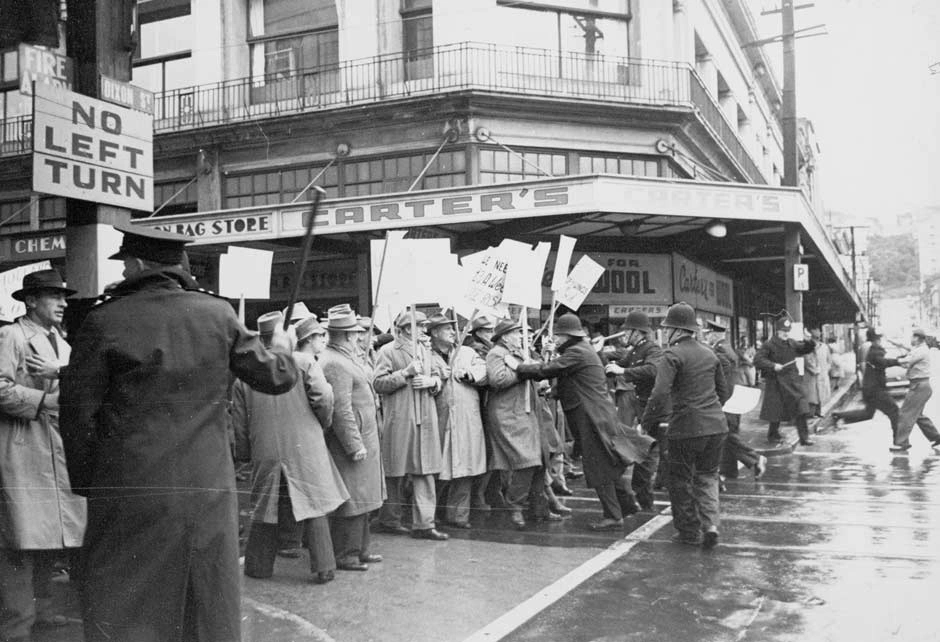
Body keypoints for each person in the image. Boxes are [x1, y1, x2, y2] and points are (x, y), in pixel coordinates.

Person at [60, 225, 298, 642]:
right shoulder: (218, 314)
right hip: (207, 487)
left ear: (135, 265)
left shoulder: (102, 321)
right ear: (180, 265)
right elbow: (276, 377)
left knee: (127, 600)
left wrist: (88, 484)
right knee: (205, 598)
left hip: (130, 485)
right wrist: (282, 346)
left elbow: (78, 416)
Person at [0, 270, 86, 642]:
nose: (63, 303)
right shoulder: (11, 335)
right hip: (23, 445)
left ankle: (44, 610)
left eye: (63, 296)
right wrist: (44, 401)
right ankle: (16, 625)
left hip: (54, 448)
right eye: (54, 296)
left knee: (50, 533)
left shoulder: (62, 344)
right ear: (30, 301)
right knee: (19, 538)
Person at [231, 313, 349, 585]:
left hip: (266, 448)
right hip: (305, 443)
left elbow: (239, 423)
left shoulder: (245, 377)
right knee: (314, 502)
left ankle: (258, 567)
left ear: (261, 339)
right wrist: (321, 425)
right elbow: (324, 398)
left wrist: (247, 453)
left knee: (265, 506)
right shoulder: (306, 362)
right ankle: (324, 568)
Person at [514, 314, 653, 532]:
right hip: (597, 415)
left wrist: (520, 367)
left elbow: (548, 370)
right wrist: (555, 391)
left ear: (567, 335)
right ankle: (627, 504)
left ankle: (613, 515)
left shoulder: (577, 351)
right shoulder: (581, 350)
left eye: (558, 336)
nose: (556, 340)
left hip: (591, 418)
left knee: (599, 467)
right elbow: (571, 379)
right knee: (609, 463)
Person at [641, 303, 730, 548]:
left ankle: (689, 532)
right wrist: (709, 410)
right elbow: (724, 391)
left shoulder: (672, 355)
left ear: (676, 330)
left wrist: (646, 423)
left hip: (686, 428)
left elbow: (659, 394)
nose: (666, 333)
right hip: (716, 426)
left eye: (667, 328)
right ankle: (711, 524)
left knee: (679, 479)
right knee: (708, 477)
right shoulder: (710, 353)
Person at [318, 304, 386, 571]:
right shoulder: (335, 362)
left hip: (364, 435)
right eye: (356, 333)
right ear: (346, 335)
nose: (360, 336)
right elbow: (340, 408)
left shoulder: (344, 357)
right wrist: (353, 444)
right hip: (354, 440)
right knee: (354, 498)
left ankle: (361, 549)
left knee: (364, 497)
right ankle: (347, 553)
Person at [373, 310, 448, 541]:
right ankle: (389, 519)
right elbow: (378, 383)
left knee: (425, 471)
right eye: (420, 326)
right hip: (401, 418)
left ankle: (424, 524)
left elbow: (440, 376)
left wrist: (432, 382)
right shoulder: (388, 351)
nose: (425, 330)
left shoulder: (426, 351)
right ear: (406, 328)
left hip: (425, 419)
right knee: (395, 471)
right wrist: (405, 373)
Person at [485, 320, 548, 528]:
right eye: (516, 333)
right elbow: (498, 380)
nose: (521, 336)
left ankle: (539, 508)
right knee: (527, 461)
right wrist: (522, 371)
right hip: (508, 414)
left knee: (538, 460)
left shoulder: (521, 352)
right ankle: (515, 505)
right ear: (505, 336)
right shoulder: (496, 353)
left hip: (526, 413)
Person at [427, 313, 487, 528]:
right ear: (434, 333)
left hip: (465, 420)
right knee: (436, 470)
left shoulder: (467, 352)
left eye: (453, 328)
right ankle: (430, 516)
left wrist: (469, 374)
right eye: (447, 328)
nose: (453, 332)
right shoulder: (424, 355)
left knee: (465, 470)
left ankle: (458, 516)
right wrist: (435, 379)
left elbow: (484, 371)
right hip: (438, 419)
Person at [603, 310, 663, 510]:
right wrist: (596, 352)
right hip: (643, 406)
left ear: (637, 332)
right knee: (647, 452)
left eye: (627, 332)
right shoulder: (636, 350)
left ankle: (645, 497)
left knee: (649, 453)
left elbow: (653, 370)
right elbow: (617, 364)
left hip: (654, 409)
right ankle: (645, 496)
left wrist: (623, 371)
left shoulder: (651, 349)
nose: (624, 336)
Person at [702, 320, 767, 481]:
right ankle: (729, 470)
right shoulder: (726, 348)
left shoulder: (720, 351)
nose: (706, 337)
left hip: (728, 399)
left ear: (715, 334)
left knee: (726, 434)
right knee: (729, 432)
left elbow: (721, 379)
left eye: (708, 333)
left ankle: (755, 459)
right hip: (735, 396)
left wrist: (718, 399)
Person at [753, 317, 817, 446]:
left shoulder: (792, 343)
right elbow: (758, 360)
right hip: (777, 382)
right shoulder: (769, 345)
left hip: (793, 382)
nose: (786, 333)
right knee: (775, 412)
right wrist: (773, 365)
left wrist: (809, 339)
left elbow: (806, 348)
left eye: (788, 331)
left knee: (801, 408)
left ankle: (804, 438)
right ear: (777, 331)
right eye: (783, 331)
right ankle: (773, 435)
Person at [833, 327, 900, 441]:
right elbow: (882, 362)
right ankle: (899, 440)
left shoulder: (872, 348)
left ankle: (839, 416)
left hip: (870, 388)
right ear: (878, 338)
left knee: (868, 414)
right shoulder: (875, 349)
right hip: (875, 389)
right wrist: (898, 361)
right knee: (894, 410)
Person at [890, 328, 940, 453]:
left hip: (919, 386)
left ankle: (902, 443)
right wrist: (893, 343)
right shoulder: (919, 349)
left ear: (917, 338)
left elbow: (906, 362)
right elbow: (906, 350)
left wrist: (893, 361)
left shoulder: (921, 351)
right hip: (921, 386)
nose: (910, 339)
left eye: (912, 337)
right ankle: (936, 437)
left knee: (905, 413)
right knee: (918, 415)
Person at [810, 328, 832, 410]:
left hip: (823, 374)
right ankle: (816, 411)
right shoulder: (809, 348)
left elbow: (829, 361)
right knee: (815, 395)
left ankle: (820, 410)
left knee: (822, 394)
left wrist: (826, 370)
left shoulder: (824, 347)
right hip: (813, 375)